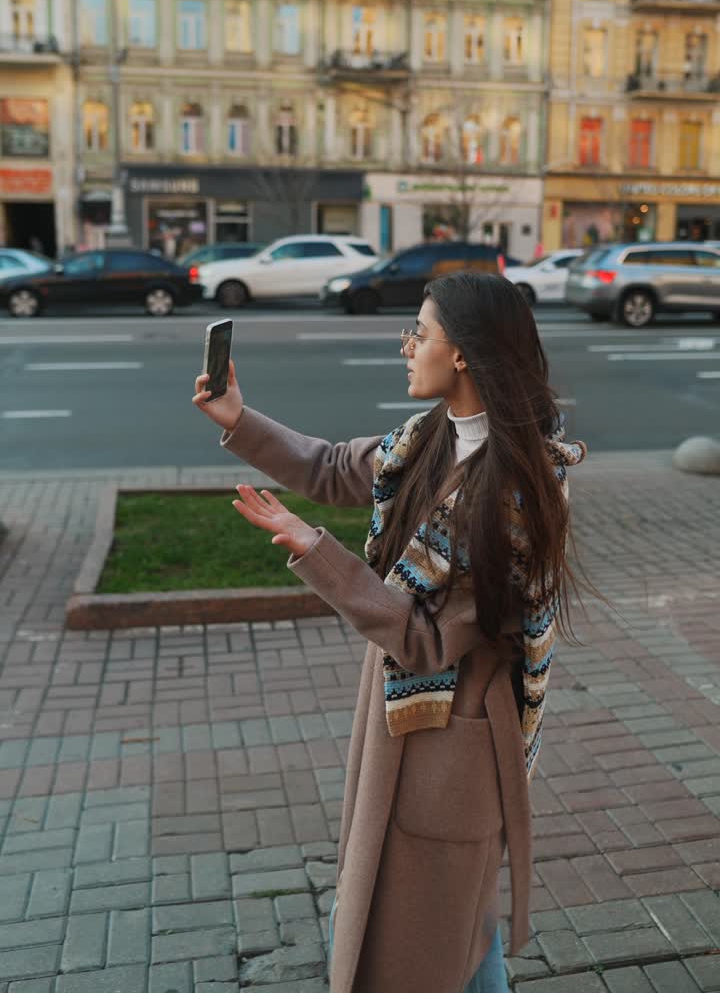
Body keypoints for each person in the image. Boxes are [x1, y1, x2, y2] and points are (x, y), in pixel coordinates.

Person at [192, 271, 587, 993]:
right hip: (409, 719)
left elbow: (428, 641)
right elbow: (330, 467)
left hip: (455, 738)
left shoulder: (517, 490)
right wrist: (238, 418)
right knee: (449, 933)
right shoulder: (427, 440)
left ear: (461, 353)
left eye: (419, 333)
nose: (406, 346)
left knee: (431, 936)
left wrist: (317, 552)